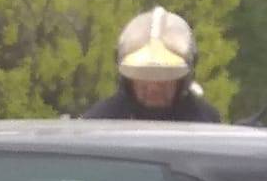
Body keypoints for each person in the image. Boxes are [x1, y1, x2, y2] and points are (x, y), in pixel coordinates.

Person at [84, 7, 221, 123]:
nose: (154, 88)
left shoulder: (205, 123)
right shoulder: (101, 122)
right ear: (128, 80)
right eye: (143, 79)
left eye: (165, 78)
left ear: (183, 80)